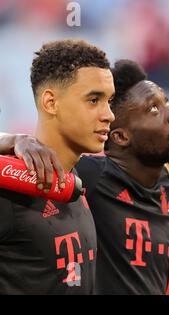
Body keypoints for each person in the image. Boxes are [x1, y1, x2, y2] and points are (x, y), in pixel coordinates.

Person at [1, 60, 169, 294]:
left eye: (166, 103)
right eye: (154, 108)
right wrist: (12, 139)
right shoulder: (94, 177)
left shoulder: (163, 184)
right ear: (120, 137)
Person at [0, 40, 115, 294]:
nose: (109, 115)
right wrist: (7, 138)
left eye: (109, 100)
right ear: (51, 103)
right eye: (94, 100)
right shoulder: (9, 189)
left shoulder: (80, 179)